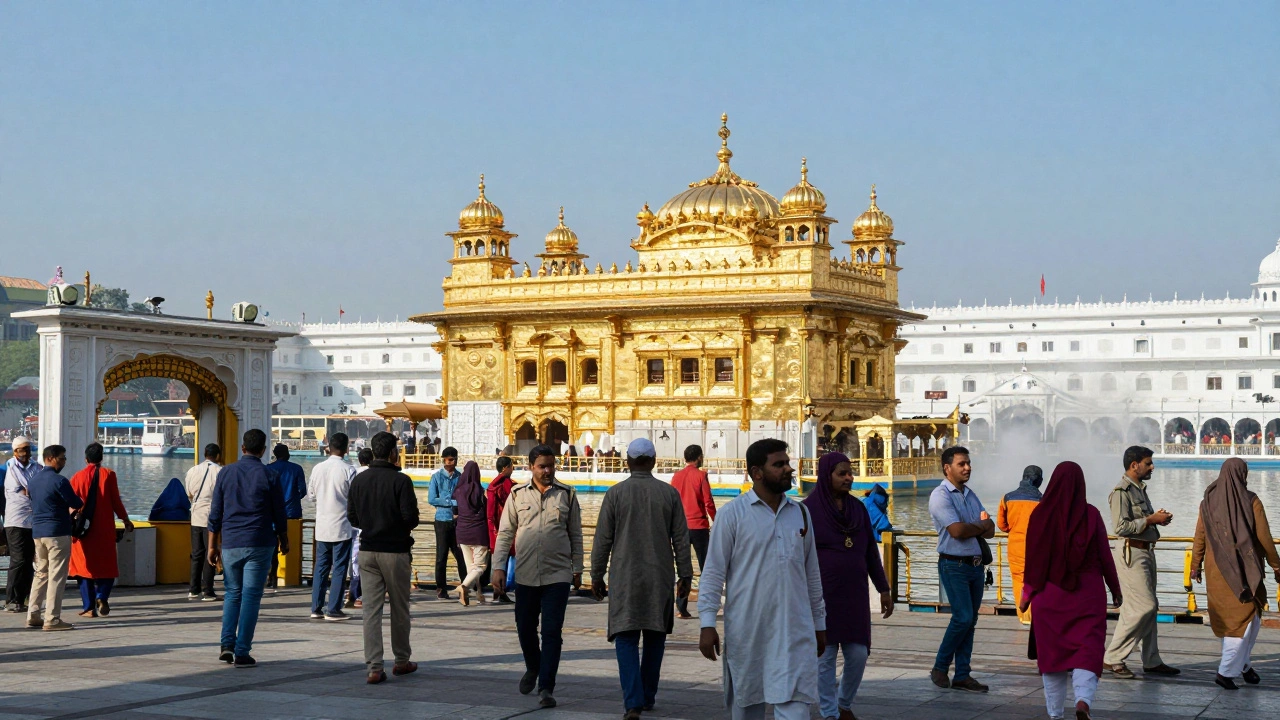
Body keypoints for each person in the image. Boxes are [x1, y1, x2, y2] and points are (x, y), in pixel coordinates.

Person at [698, 439, 827, 720]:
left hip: (794, 632)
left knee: (795, 712)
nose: (788, 469)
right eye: (778, 464)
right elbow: (713, 573)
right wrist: (707, 624)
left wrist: (819, 623)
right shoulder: (732, 515)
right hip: (748, 632)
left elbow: (811, 574)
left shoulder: (800, 514)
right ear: (757, 472)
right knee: (747, 708)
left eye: (787, 462)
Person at [591, 438, 693, 719]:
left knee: (625, 638)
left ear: (627, 461)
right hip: (659, 576)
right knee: (654, 636)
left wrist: (596, 575)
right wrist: (685, 573)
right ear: (654, 461)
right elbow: (681, 540)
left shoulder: (615, 494)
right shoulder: (668, 494)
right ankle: (647, 696)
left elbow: (602, 540)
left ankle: (633, 702)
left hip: (624, 576)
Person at [1018, 462, 1122, 720]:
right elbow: (1104, 557)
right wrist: (1115, 588)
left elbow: (1034, 560)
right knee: (1088, 649)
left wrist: (1026, 596)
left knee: (1052, 656)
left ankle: (1055, 714)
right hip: (1087, 596)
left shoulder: (1039, 516)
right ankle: (1083, 700)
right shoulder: (1091, 515)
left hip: (1049, 596)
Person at [492, 444, 584, 709]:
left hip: (558, 575)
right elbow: (505, 533)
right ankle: (533, 666)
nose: (547, 471)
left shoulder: (566, 495)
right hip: (526, 573)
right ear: (531, 467)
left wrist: (578, 568)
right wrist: (498, 567)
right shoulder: (517, 494)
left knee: (552, 632)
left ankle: (546, 687)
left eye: (551, 466)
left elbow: (575, 534)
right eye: (542, 466)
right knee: (524, 627)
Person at [803, 452, 893, 720]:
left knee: (858, 653)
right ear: (826, 475)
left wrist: (884, 588)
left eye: (849, 473)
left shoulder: (858, 509)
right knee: (826, 656)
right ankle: (830, 713)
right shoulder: (808, 510)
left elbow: (869, 553)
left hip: (854, 596)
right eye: (841, 473)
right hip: (823, 597)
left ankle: (844, 703)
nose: (848, 477)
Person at [1190, 458, 1280, 690]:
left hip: (1217, 571)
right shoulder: (1251, 501)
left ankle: (1244, 665)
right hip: (1244, 571)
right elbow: (1265, 538)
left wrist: (1196, 564)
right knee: (1239, 621)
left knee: (1251, 618)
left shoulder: (1207, 501)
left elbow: (1199, 536)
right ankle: (1225, 673)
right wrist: (1276, 565)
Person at [207, 429, 289, 668]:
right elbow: (279, 512)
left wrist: (213, 545)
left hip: (231, 542)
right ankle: (242, 651)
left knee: (233, 594)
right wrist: (284, 538)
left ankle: (226, 646)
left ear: (243, 448)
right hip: (260, 541)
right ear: (263, 451)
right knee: (251, 597)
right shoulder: (270, 474)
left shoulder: (225, 473)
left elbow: (215, 513)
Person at [348, 431, 420, 684]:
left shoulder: (359, 480)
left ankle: (375, 667)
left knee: (371, 611)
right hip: (395, 551)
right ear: (392, 453)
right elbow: (411, 518)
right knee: (399, 609)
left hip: (367, 551)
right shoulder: (401, 481)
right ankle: (401, 661)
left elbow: (352, 518)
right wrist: (395, 526)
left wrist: (372, 525)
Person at [1103, 446, 1179, 679]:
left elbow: (1141, 521)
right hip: (1131, 553)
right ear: (1134, 465)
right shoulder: (1121, 491)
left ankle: (1151, 659)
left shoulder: (1139, 489)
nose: (1152, 467)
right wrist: (1150, 519)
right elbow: (1121, 528)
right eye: (1148, 463)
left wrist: (1156, 521)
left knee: (1147, 607)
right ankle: (1112, 656)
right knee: (1144, 606)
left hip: (1146, 551)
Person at [927, 445, 993, 693]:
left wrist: (972, 526)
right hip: (953, 564)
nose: (967, 468)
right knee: (963, 617)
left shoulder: (969, 494)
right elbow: (956, 531)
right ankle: (940, 666)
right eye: (961, 464)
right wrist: (978, 525)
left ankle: (963, 674)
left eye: (968, 463)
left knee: (971, 621)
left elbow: (992, 527)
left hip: (975, 566)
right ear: (947, 468)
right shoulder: (941, 495)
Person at [68, 443, 134, 618]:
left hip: (84, 531)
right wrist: (125, 520)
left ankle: (89, 607)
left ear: (86, 458)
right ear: (101, 457)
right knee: (107, 566)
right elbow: (116, 501)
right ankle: (102, 596)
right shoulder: (109, 475)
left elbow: (70, 504)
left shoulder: (77, 477)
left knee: (84, 567)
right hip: (104, 529)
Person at [25, 444, 82, 631]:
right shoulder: (60, 481)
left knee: (41, 572)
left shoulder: (33, 481)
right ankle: (52, 618)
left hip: (38, 532)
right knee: (57, 575)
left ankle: (33, 613)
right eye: (62, 458)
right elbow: (76, 502)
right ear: (51, 458)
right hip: (57, 531)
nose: (64, 461)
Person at [308, 432, 356, 621]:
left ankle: (316, 607)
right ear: (346, 449)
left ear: (328, 447)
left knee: (320, 567)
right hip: (342, 525)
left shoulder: (318, 468)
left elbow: (311, 495)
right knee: (339, 568)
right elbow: (354, 498)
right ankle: (334, 608)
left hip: (322, 525)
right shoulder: (348, 469)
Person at [670, 443, 715, 620]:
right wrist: (717, 521)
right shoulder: (701, 476)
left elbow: (672, 502)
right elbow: (708, 502)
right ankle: (708, 604)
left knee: (684, 568)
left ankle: (681, 607)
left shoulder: (677, 476)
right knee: (707, 567)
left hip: (680, 528)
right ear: (699, 457)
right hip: (699, 527)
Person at [997, 465, 1043, 624]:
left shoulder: (1007, 498)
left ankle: (1024, 616)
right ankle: (1035, 616)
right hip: (1036, 549)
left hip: (1015, 548)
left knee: (1018, 581)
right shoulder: (1042, 500)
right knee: (1036, 581)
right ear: (1038, 480)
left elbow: (1002, 525)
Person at [4, 436, 41, 613]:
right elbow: (19, 490)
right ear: (15, 451)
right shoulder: (9, 468)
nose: (25, 453)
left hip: (33, 520)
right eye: (21, 450)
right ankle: (11, 599)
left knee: (28, 561)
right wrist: (30, 490)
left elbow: (37, 488)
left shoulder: (37, 467)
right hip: (16, 520)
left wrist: (29, 490)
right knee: (18, 560)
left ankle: (23, 598)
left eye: (27, 449)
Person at [428, 446, 467, 600]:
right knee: (441, 555)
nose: (453, 462)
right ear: (444, 460)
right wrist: (450, 501)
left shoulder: (460, 477)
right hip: (442, 520)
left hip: (457, 521)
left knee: (461, 555)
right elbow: (432, 499)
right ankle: (441, 588)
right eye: (450, 459)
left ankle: (465, 586)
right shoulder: (436, 477)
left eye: (455, 459)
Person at [184, 443, 222, 601]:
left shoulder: (193, 470)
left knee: (197, 553)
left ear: (204, 454)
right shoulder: (220, 471)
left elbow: (189, 493)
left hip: (196, 514)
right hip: (212, 516)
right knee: (210, 552)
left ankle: (194, 589)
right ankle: (208, 590)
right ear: (218, 456)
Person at [266, 444, 306, 591]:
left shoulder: (268, 469)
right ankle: (290, 576)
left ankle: (272, 576)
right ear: (287, 454)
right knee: (290, 544)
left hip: (271, 513)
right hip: (292, 512)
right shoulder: (296, 469)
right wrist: (293, 498)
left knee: (271, 546)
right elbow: (302, 491)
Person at [453, 460, 489, 606]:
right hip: (479, 533)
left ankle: (476, 595)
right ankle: (464, 587)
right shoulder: (481, 492)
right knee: (480, 567)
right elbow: (487, 512)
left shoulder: (457, 492)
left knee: (471, 568)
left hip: (462, 533)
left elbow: (454, 512)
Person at [486, 455, 516, 604]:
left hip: (495, 528)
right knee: (509, 558)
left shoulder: (492, 486)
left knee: (498, 559)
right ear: (506, 468)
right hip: (507, 527)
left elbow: (490, 513)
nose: (513, 468)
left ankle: (498, 589)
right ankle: (502, 588)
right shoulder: (508, 486)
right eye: (511, 466)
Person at [346, 447, 373, 609]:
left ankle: (353, 590)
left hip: (354, 522)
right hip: (370, 522)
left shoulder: (353, 473)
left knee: (354, 559)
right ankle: (360, 593)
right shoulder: (373, 475)